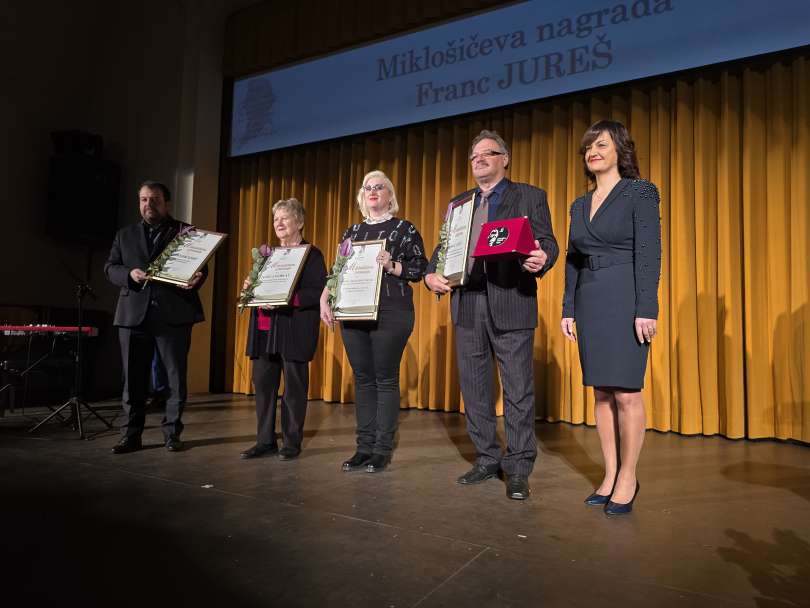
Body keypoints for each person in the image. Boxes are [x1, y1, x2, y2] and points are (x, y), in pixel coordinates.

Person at [425, 130, 558, 500]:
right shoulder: (458, 204)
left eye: (488, 153)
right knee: (475, 388)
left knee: (517, 389)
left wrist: (543, 257)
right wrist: (430, 274)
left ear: (505, 159)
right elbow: (442, 251)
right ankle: (486, 458)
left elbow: (547, 242)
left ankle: (517, 467)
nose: (479, 159)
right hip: (467, 302)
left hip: (511, 299)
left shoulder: (529, 196)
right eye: (474, 156)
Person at [560, 119, 661, 515]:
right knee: (601, 392)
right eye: (588, 147)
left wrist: (646, 308)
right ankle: (609, 473)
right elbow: (572, 259)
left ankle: (629, 477)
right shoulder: (579, 204)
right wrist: (568, 308)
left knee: (626, 392)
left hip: (624, 296)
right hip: (590, 299)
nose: (593, 152)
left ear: (621, 149)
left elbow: (650, 254)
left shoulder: (640, 192)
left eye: (601, 144)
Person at [320, 170, 428, 473]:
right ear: (361, 195)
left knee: (385, 378)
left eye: (379, 187)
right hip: (354, 312)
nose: (373, 191)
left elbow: (420, 267)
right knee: (364, 379)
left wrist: (392, 265)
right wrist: (324, 297)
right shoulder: (351, 232)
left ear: (390, 196)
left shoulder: (404, 229)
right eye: (367, 187)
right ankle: (363, 447)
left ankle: (382, 449)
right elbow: (337, 270)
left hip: (391, 312)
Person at [104, 181, 206, 453]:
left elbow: (200, 269)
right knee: (132, 379)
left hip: (173, 313)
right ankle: (131, 435)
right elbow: (110, 267)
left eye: (155, 199)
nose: (148, 204)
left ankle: (172, 434)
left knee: (174, 378)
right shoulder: (124, 235)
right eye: (143, 199)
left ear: (167, 203)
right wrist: (128, 275)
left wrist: (196, 278)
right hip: (133, 314)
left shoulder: (187, 233)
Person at [241, 198, 327, 461]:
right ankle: (265, 441)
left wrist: (288, 298)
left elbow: (317, 292)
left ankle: (291, 442)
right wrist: (250, 289)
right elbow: (259, 289)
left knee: (294, 389)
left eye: (285, 217)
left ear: (299, 222)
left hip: (294, 328)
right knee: (264, 388)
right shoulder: (267, 255)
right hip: (266, 328)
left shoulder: (312, 254)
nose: (278, 223)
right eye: (275, 218)